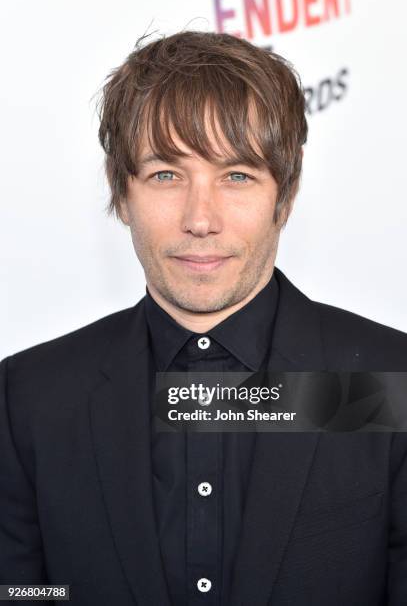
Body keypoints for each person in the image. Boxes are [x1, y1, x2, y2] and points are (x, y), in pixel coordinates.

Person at [1, 30, 406, 606]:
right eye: (166, 175)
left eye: (236, 176)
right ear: (121, 194)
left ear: (284, 198)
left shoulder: (392, 382)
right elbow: (23, 593)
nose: (200, 219)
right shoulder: (29, 399)